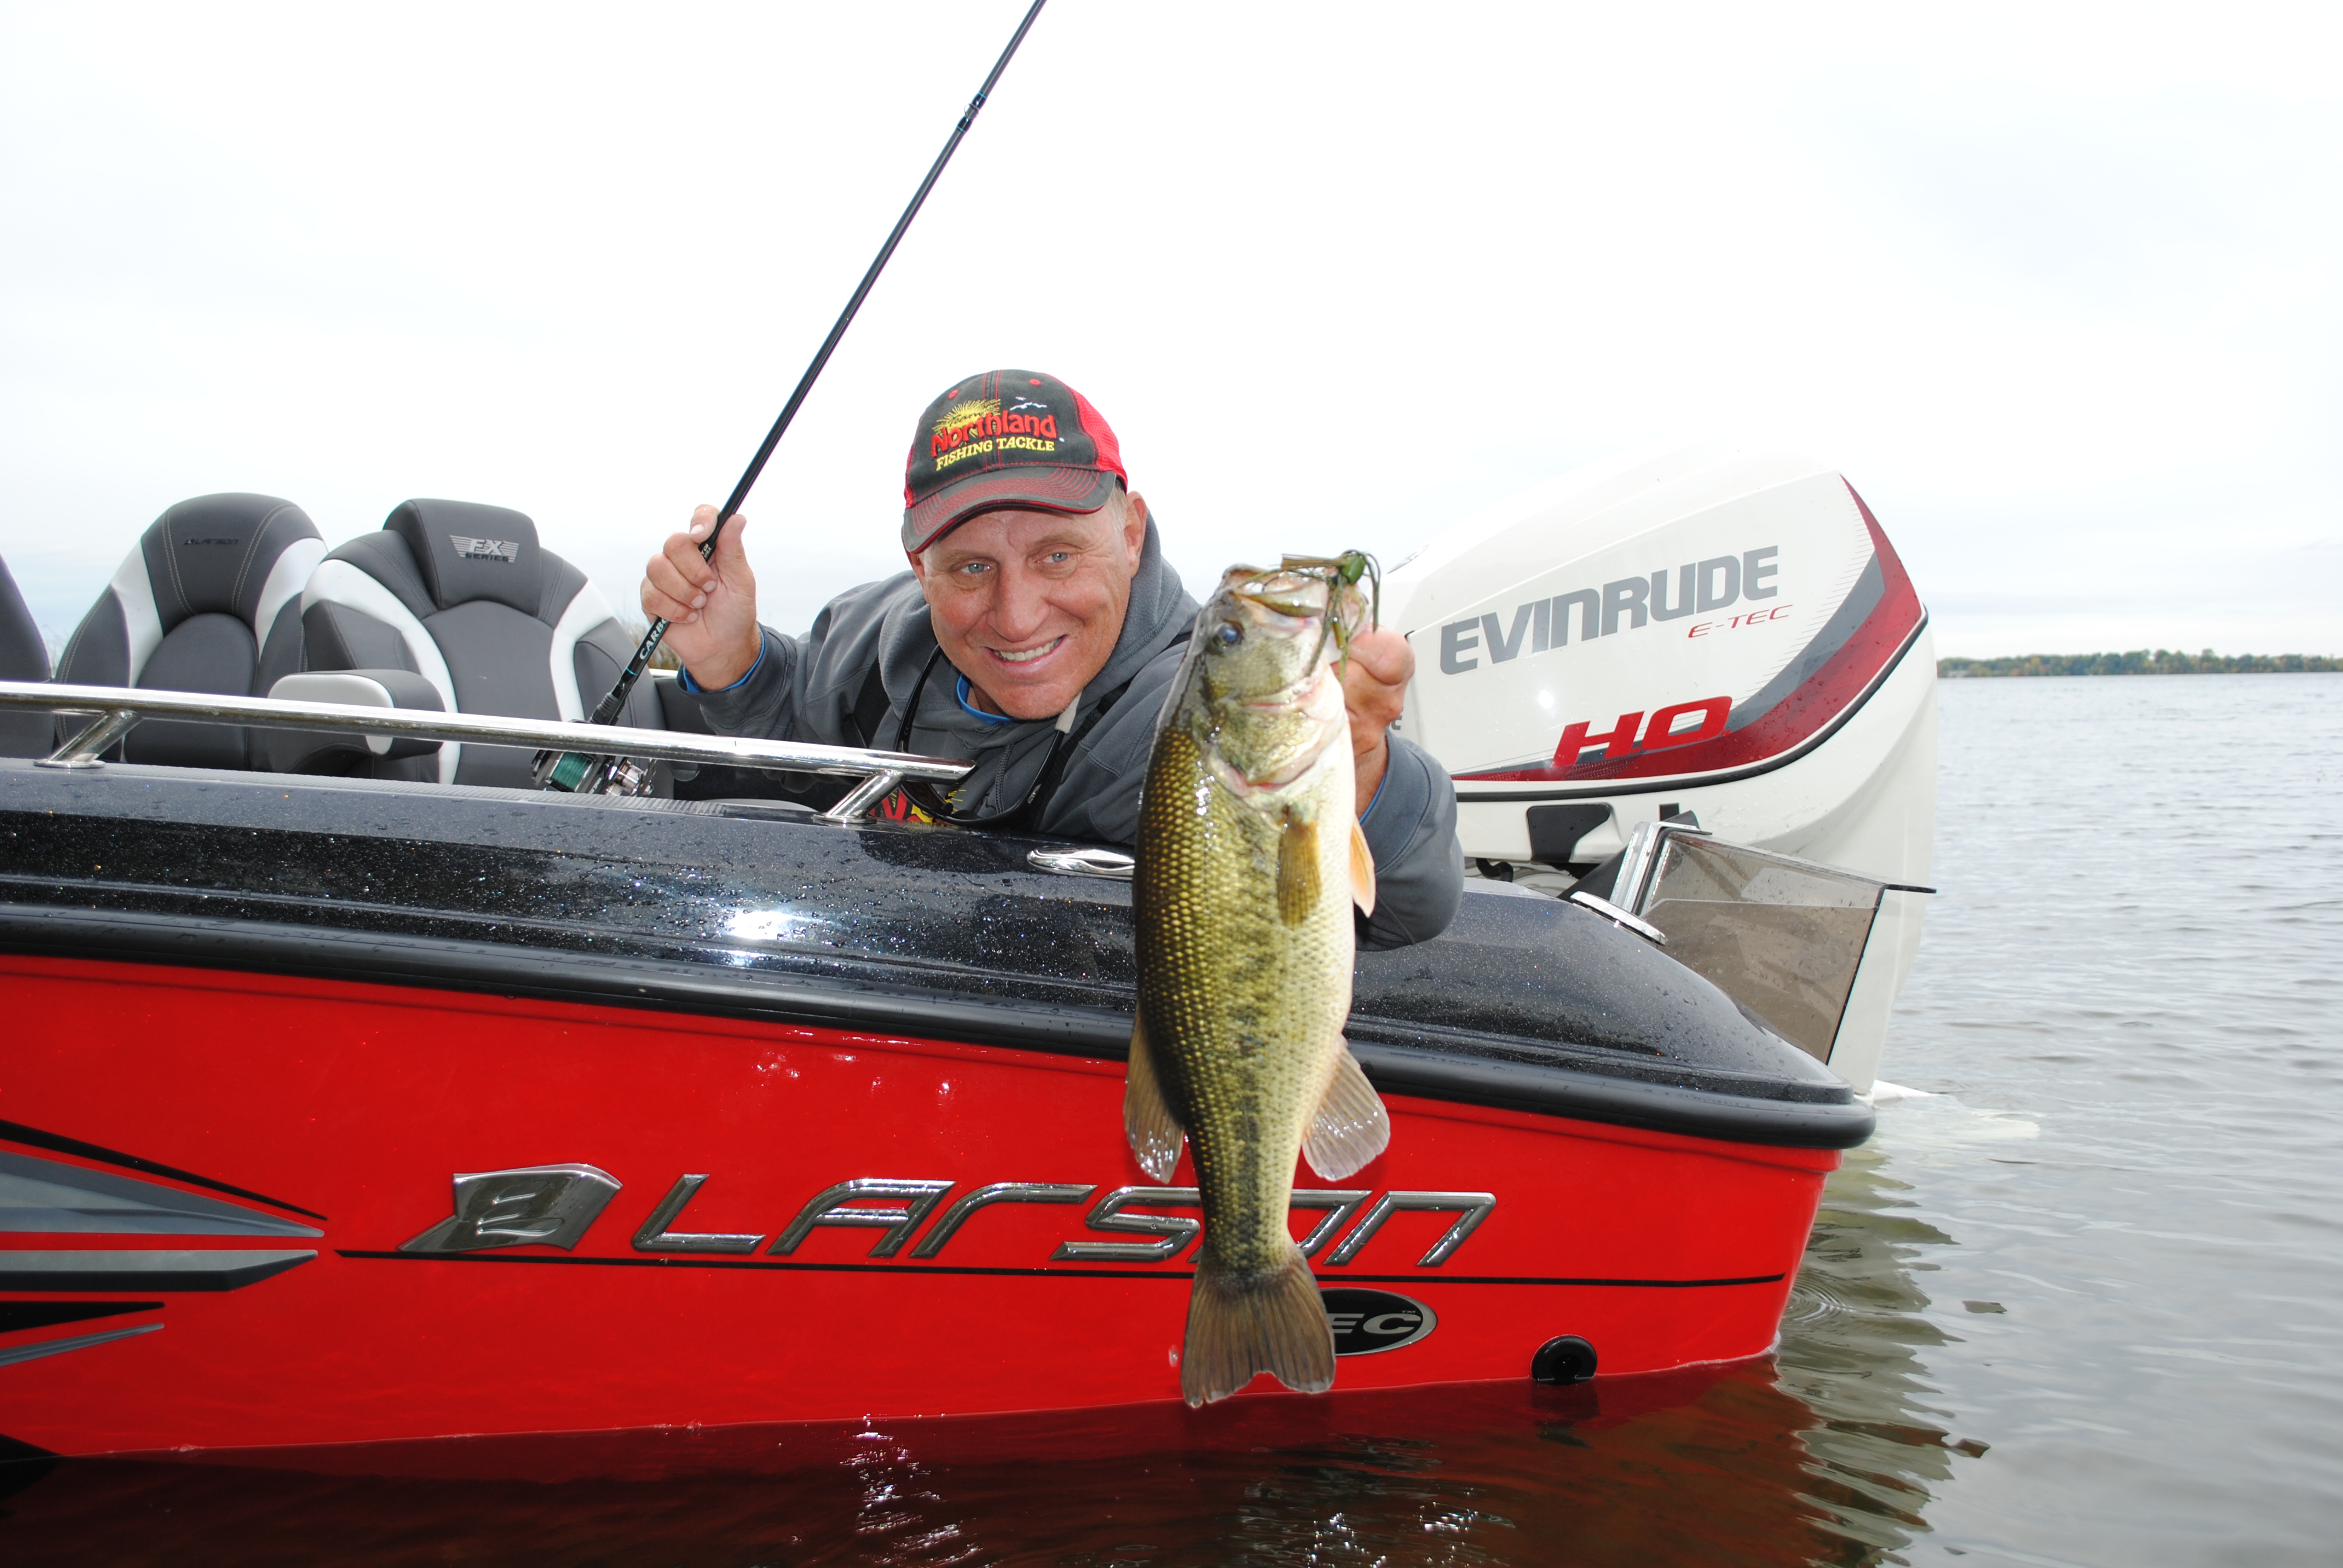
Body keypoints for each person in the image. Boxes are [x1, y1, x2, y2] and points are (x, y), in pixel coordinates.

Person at [643, 368, 1463, 949]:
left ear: (1131, 532)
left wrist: (1356, 783)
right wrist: (735, 661)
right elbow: (801, 720)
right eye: (970, 568)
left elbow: (1405, 907)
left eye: (1059, 556)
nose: (1017, 612)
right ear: (919, 568)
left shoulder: (1200, 713)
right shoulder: (876, 638)